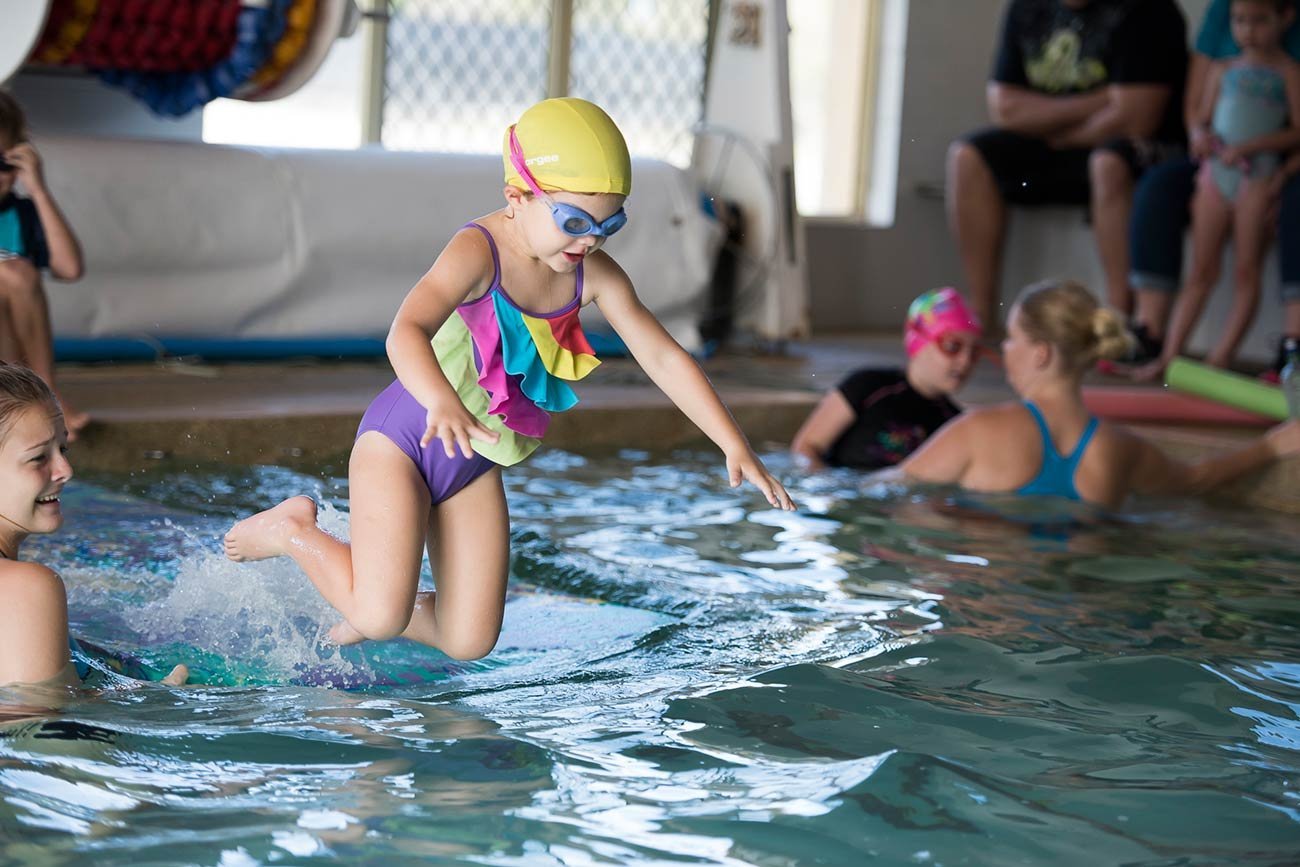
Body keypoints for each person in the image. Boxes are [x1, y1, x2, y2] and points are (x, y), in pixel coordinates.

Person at [223, 98, 795, 660]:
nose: (590, 240)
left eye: (608, 224)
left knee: (468, 640)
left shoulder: (590, 272)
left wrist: (732, 442)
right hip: (403, 442)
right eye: (574, 221)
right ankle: (295, 533)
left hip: (473, 460)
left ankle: (371, 601)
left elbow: (664, 356)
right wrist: (441, 401)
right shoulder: (478, 250)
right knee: (380, 614)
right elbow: (405, 330)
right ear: (517, 197)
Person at [898, 279, 1300, 511]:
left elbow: (879, 491)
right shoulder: (1120, 450)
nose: (1003, 348)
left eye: (1012, 338)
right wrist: (1270, 446)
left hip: (989, 617)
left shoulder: (978, 431)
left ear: (1041, 353)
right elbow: (1197, 478)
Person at [947, 0, 1188, 333]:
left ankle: (1117, 323)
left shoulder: (1149, 11)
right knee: (968, 156)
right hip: (1062, 140)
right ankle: (983, 314)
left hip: (1136, 152)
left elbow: (1137, 116)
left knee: (1107, 163)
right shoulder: (1025, 8)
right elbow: (1005, 108)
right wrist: (1101, 100)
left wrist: (1053, 122)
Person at [1132, 0, 1300, 381]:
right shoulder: (1223, 70)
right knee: (1201, 272)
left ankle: (1218, 361)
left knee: (1245, 271)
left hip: (1256, 177)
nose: (1248, 30)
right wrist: (1200, 138)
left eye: (1259, 21)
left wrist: (1255, 149)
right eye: (1239, 21)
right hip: (1215, 175)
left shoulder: (1289, 72)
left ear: (1284, 18)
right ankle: (1168, 358)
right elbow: (1201, 119)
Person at [0, 363, 187, 687]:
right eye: (38, 458)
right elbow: (43, 732)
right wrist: (157, 699)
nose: (65, 470)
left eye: (62, 449)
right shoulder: (27, 587)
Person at [790, 287, 981, 471]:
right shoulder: (867, 386)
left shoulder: (954, 422)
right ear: (919, 342)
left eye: (974, 352)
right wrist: (827, 488)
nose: (965, 361)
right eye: (953, 346)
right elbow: (806, 447)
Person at [0, 91, 88, 438]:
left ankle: (44, 395)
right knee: (12, 271)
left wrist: (37, 189)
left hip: (11, 359)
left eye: (4, 164)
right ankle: (42, 398)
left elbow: (70, 268)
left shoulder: (20, 214)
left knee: (17, 272)